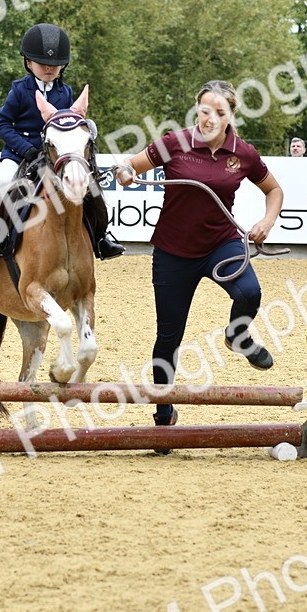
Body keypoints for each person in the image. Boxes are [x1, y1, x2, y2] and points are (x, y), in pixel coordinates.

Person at [116, 80, 283, 434]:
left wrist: (267, 220)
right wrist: (126, 173)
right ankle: (163, 415)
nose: (210, 118)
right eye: (205, 110)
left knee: (250, 293)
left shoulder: (244, 153)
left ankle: (238, 337)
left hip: (221, 243)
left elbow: (274, 190)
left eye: (220, 112)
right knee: (168, 337)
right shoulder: (174, 143)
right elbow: (129, 167)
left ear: (231, 116)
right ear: (197, 109)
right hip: (173, 251)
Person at [0, 23, 123, 262]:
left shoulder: (66, 93)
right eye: (43, 64)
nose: (49, 69)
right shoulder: (19, 90)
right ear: (28, 63)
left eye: (55, 65)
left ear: (63, 66)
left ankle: (102, 236)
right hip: (21, 152)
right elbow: (2, 125)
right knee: (1, 181)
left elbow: (68, 128)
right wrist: (25, 149)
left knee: (89, 186)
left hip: (56, 155)